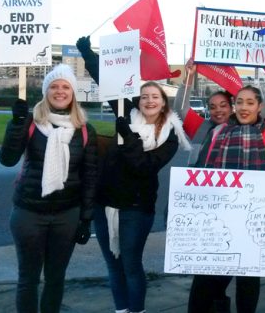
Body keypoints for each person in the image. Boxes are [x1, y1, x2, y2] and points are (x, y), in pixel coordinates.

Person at [77, 36, 191, 313]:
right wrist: (87, 53)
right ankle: (121, 310)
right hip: (107, 205)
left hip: (137, 208)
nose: (149, 100)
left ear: (163, 103)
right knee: (112, 265)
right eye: (144, 96)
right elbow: (107, 82)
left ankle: (136, 310)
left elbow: (144, 166)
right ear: (138, 101)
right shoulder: (126, 111)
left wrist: (128, 136)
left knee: (130, 263)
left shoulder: (170, 135)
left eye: (155, 97)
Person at [0, 64, 98, 313]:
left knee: (56, 279)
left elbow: (89, 177)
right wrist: (17, 123)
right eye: (54, 86)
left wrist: (86, 219)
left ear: (73, 92)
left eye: (66, 86)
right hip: (29, 213)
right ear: (46, 91)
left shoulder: (85, 130)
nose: (60, 91)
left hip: (67, 215)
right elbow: (7, 159)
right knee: (28, 279)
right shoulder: (31, 123)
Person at [191, 85, 265, 313]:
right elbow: (199, 172)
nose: (244, 108)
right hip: (218, 221)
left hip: (255, 222)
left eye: (250, 102)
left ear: (259, 106)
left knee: (248, 282)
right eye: (239, 102)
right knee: (207, 281)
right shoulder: (217, 133)